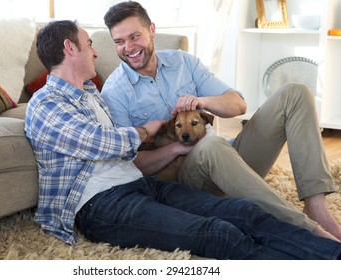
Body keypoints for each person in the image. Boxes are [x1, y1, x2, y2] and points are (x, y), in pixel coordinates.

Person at [23, 19, 341, 260]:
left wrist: (191, 111)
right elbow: (103, 144)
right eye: (90, 44)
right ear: (69, 48)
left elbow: (237, 104)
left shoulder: (91, 94)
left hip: (143, 186)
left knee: (245, 212)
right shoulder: (47, 103)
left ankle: (331, 253)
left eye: (134, 36)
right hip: (101, 206)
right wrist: (150, 129)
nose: (96, 51)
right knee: (221, 234)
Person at [101, 1, 341, 242]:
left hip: (228, 161)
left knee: (294, 93)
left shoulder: (183, 62)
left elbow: (238, 104)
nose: (129, 47)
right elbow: (132, 166)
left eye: (134, 36)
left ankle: (316, 208)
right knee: (210, 145)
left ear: (152, 30)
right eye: (119, 42)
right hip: (188, 185)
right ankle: (306, 229)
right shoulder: (115, 92)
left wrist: (202, 101)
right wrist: (178, 147)